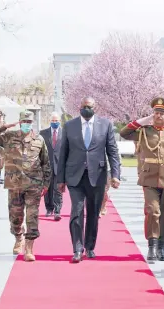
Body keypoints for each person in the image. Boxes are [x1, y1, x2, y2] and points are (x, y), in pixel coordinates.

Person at [120, 97, 164, 261]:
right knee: (152, 211)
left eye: (162, 113)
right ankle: (152, 245)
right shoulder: (144, 130)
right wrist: (142, 121)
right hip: (149, 177)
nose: (158, 116)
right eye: (156, 113)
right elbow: (124, 133)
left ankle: (162, 246)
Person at [58, 96, 120, 263]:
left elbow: (112, 151)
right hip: (75, 176)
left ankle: (90, 246)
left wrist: (115, 175)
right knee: (76, 212)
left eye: (90, 106)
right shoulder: (70, 126)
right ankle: (77, 248)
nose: (87, 109)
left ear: (95, 108)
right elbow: (62, 153)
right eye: (84, 106)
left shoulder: (105, 125)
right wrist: (60, 179)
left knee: (93, 212)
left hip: (97, 176)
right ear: (80, 107)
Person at [0, 110, 51, 262]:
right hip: (14, 184)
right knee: (15, 216)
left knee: (32, 216)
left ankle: (29, 247)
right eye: (24, 122)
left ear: (32, 123)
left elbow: (46, 163)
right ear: (19, 122)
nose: (26, 125)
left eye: (29, 122)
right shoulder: (9, 137)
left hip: (33, 184)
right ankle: (18, 236)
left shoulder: (39, 140)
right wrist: (3, 127)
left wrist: (46, 184)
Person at [40, 112, 63, 221]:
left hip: (60, 165)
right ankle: (49, 208)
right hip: (47, 165)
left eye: (56, 120)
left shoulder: (65, 133)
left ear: (60, 121)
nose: (55, 122)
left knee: (58, 189)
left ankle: (57, 211)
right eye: (53, 121)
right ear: (50, 121)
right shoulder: (43, 133)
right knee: (47, 189)